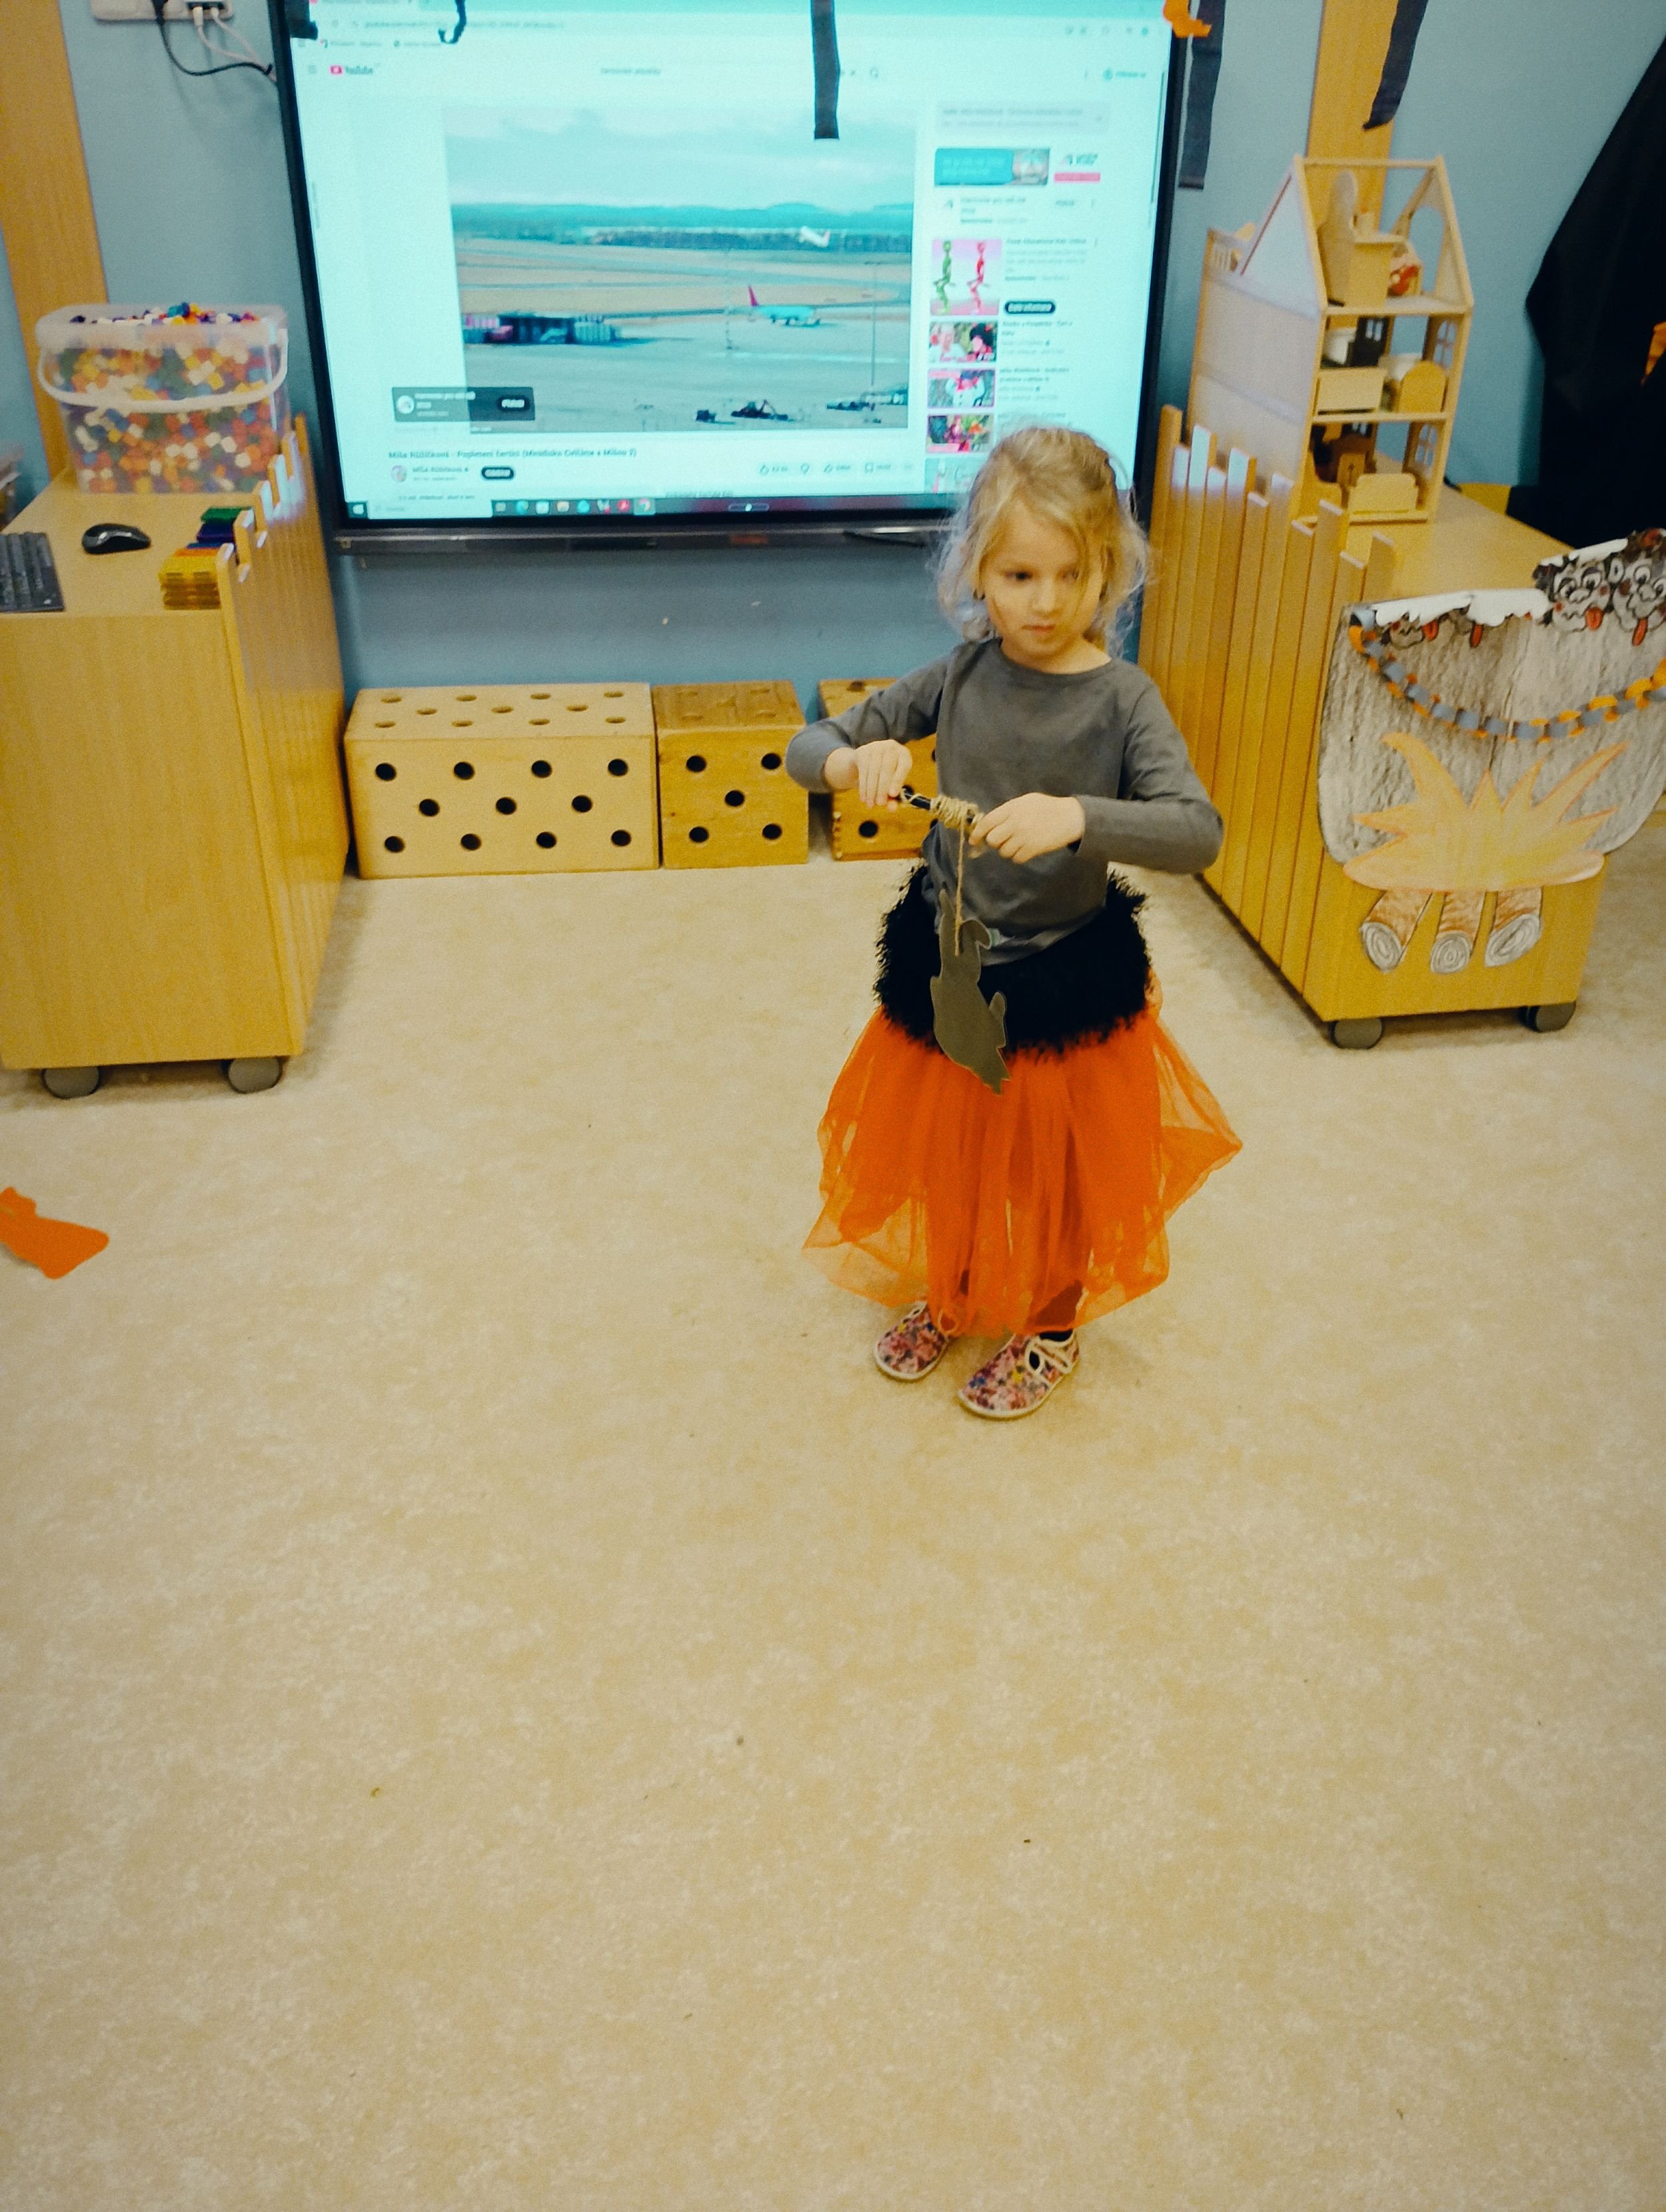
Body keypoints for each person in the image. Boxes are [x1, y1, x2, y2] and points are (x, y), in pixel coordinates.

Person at [784, 425, 1240, 1420]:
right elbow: (805, 747)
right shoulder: (960, 675)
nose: (1045, 602)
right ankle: (952, 1291)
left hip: (1061, 977)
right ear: (976, 573)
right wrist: (856, 761)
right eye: (1019, 575)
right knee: (953, 1149)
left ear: (1109, 572)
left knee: (1052, 1173)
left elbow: (1197, 831)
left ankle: (1051, 1324)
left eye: (1072, 575)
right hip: (952, 965)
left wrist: (1080, 817)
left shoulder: (1123, 700)